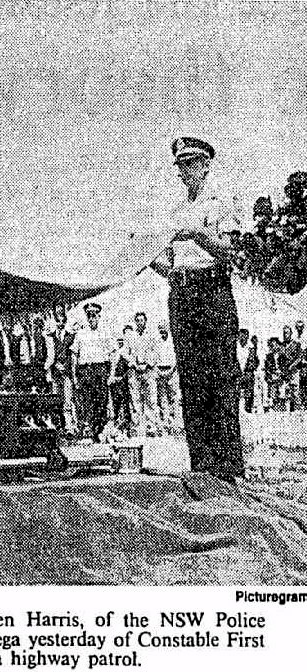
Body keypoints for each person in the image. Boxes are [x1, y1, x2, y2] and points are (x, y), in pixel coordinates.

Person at [150, 137, 243, 482]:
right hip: (182, 293)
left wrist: (197, 234)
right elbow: (169, 263)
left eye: (190, 164)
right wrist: (147, 258)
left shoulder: (222, 202)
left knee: (220, 376)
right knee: (191, 378)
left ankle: (228, 466)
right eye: (180, 165)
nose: (184, 171)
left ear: (205, 166)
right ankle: (202, 465)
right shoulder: (175, 211)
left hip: (213, 291)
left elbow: (230, 252)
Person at [71, 303, 112, 442]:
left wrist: (111, 374)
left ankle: (99, 431)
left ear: (99, 316)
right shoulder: (80, 334)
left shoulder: (105, 333)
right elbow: (74, 355)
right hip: (85, 371)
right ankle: (88, 432)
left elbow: (113, 353)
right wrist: (74, 375)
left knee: (101, 401)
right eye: (89, 315)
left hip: (100, 370)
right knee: (87, 401)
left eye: (94, 315)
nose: (91, 318)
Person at [45, 303, 77, 436]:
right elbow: (48, 355)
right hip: (55, 372)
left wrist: (66, 366)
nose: (60, 323)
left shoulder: (71, 336)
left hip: (67, 372)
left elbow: (73, 355)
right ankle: (57, 426)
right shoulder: (50, 336)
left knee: (68, 400)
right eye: (58, 320)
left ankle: (69, 427)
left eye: (62, 320)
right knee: (55, 399)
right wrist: (52, 367)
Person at [127, 311, 160, 437]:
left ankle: (151, 426)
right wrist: (133, 364)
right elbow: (126, 352)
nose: (140, 322)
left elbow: (156, 352)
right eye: (138, 320)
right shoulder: (131, 336)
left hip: (148, 370)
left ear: (145, 321)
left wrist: (148, 364)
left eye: (142, 320)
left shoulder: (152, 335)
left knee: (151, 398)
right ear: (135, 322)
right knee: (135, 399)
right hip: (135, 370)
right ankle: (136, 427)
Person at [108, 327, 133, 436]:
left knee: (125, 404)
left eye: (121, 340)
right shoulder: (112, 353)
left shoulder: (126, 352)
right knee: (115, 404)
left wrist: (121, 378)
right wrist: (112, 377)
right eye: (118, 340)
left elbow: (130, 367)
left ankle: (126, 428)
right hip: (114, 382)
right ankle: (116, 426)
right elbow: (110, 367)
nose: (120, 342)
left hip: (123, 381)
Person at [156, 322, 179, 432]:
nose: (163, 332)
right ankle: (165, 420)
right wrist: (158, 371)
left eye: (164, 329)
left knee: (173, 396)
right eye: (160, 330)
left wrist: (170, 371)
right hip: (160, 371)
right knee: (162, 397)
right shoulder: (157, 343)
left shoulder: (173, 342)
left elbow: (176, 359)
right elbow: (154, 358)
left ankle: (175, 421)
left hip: (171, 371)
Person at [279, 325, 302, 411]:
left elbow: (299, 358)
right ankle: (286, 411)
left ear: (291, 333)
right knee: (285, 392)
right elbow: (280, 359)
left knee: (294, 392)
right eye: (284, 333)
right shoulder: (281, 345)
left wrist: (291, 366)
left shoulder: (296, 344)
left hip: (294, 372)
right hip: (285, 372)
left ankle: (295, 411)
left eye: (287, 333)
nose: (285, 335)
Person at [236, 328, 258, 414]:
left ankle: (248, 409)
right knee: (236, 393)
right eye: (241, 336)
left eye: (244, 336)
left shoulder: (251, 348)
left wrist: (251, 367)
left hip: (247, 373)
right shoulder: (235, 348)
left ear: (247, 337)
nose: (242, 338)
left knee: (249, 393)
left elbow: (256, 362)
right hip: (238, 373)